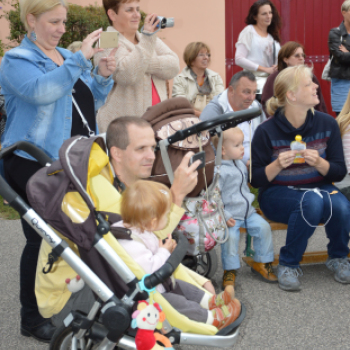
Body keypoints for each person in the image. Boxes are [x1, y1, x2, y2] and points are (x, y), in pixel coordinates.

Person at [0, 0, 116, 342]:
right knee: (41, 237)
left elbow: (86, 102)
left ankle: (72, 303)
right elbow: (43, 92)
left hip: (73, 161)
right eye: (54, 22)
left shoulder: (65, 55)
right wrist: (80, 59)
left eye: (64, 21)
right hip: (32, 161)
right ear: (32, 20)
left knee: (78, 233)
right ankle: (32, 318)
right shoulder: (16, 61)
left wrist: (103, 76)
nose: (62, 29)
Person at [35, 117, 217, 328]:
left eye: (153, 147)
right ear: (116, 153)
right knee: (154, 311)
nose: (151, 156)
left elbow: (150, 247)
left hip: (101, 273)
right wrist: (177, 194)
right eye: (141, 149)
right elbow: (150, 246)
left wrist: (199, 282)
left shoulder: (119, 180)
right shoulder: (102, 196)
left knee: (169, 289)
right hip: (70, 298)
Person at [251, 65, 350, 292]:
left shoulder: (328, 124)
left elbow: (338, 172)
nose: (317, 86)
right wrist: (277, 164)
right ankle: (288, 263)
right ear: (292, 95)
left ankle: (338, 257)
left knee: (342, 206)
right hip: (277, 194)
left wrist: (319, 163)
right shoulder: (266, 131)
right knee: (312, 202)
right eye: (309, 83)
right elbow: (256, 180)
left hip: (319, 187)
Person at [114, 180, 241, 329]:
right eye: (166, 216)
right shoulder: (130, 243)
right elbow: (149, 271)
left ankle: (211, 302)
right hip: (152, 294)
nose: (168, 218)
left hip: (161, 283)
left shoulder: (140, 227)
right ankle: (212, 319)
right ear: (152, 222)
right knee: (181, 305)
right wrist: (164, 252)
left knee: (185, 287)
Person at [94, 0, 180, 133]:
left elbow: (174, 66)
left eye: (138, 9)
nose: (137, 15)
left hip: (158, 126)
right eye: (129, 10)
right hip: (123, 131)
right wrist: (146, 48)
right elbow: (128, 75)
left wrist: (141, 62)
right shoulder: (107, 38)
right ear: (112, 15)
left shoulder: (147, 38)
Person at [212, 128, 276, 288]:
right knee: (231, 238)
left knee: (264, 227)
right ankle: (230, 270)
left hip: (247, 212)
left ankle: (262, 262)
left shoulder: (239, 164)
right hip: (230, 215)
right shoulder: (218, 171)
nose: (242, 148)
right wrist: (224, 215)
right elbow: (214, 195)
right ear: (223, 150)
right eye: (237, 145)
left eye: (242, 144)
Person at [200, 71, 266, 166]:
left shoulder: (256, 107)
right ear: (231, 91)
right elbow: (208, 149)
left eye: (254, 92)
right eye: (246, 92)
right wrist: (244, 164)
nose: (251, 98)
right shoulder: (213, 112)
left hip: (257, 166)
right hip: (228, 171)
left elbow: (264, 136)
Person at [261, 41, 327, 116]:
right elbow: (267, 103)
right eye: (297, 56)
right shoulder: (274, 78)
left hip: (310, 122)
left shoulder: (310, 77)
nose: (301, 58)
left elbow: (320, 104)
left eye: (303, 55)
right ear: (285, 59)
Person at [235, 0, 281, 101]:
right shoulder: (249, 31)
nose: (268, 16)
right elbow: (239, 59)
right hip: (254, 83)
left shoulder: (272, 36)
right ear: (255, 17)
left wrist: (277, 66)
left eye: (270, 12)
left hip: (272, 82)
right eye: (264, 14)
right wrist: (265, 69)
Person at [172, 42, 224, 117]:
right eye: (201, 55)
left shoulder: (216, 77)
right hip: (188, 119)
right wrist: (203, 115)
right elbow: (180, 105)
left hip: (213, 119)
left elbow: (220, 101)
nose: (206, 57)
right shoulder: (180, 79)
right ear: (191, 58)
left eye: (207, 54)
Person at [328, 0, 350, 116]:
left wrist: (348, 52)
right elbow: (340, 56)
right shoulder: (335, 33)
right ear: (344, 12)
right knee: (343, 121)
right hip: (342, 84)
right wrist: (345, 54)